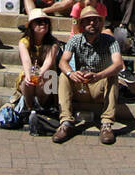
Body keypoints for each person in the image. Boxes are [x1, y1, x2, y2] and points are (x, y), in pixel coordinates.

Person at [52, 9, 123, 144]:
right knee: (63, 76)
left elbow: (119, 64)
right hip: (81, 85)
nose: (92, 24)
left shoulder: (110, 41)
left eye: (96, 21)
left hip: (99, 85)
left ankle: (107, 124)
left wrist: (99, 75)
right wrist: (71, 73)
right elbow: (63, 61)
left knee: (113, 76)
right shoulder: (75, 40)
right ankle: (66, 122)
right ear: (82, 25)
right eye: (88, 21)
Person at [12, 9, 60, 111]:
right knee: (26, 80)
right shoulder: (24, 42)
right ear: (31, 26)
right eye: (39, 22)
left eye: (46, 22)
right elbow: (26, 61)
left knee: (47, 77)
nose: (43, 24)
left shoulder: (53, 43)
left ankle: (42, 107)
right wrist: (29, 76)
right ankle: (30, 108)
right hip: (32, 74)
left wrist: (39, 75)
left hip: (48, 78)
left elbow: (48, 62)